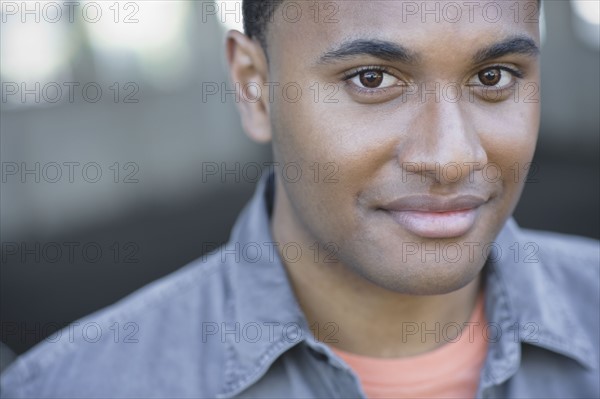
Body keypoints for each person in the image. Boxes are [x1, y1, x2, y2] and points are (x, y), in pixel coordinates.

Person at [1, 1, 598, 398]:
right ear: (253, 88)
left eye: (494, 77)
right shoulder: (76, 386)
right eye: (371, 79)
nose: (450, 156)